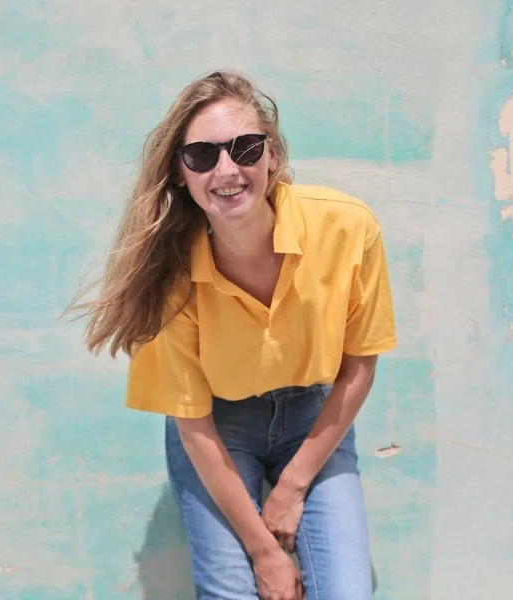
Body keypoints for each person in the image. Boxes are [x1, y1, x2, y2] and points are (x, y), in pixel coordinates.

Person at [72, 70, 397, 600]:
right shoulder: (169, 275)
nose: (227, 169)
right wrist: (266, 552)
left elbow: (360, 362)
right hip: (220, 428)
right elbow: (192, 423)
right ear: (180, 173)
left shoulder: (348, 227)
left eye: (245, 148)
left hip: (316, 416)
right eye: (201, 155)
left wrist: (292, 488)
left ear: (272, 155)